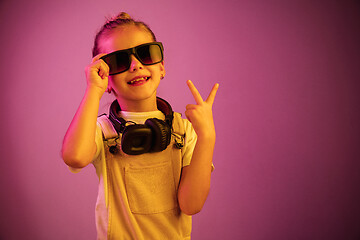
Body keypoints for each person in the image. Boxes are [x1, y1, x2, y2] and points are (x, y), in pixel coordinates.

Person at [61, 12, 219, 240]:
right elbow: (74, 156)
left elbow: (191, 204)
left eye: (146, 54)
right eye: (119, 61)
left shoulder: (183, 131)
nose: (135, 65)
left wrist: (208, 137)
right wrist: (93, 90)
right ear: (105, 77)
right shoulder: (103, 132)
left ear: (162, 67)